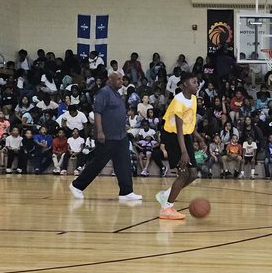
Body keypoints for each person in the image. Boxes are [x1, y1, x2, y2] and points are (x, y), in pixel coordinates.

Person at [69, 70, 141, 202]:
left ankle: (126, 192)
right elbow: (97, 113)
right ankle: (76, 185)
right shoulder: (104, 92)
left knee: (124, 163)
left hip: (120, 135)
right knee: (98, 162)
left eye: (122, 79)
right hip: (107, 136)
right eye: (118, 79)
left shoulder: (117, 94)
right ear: (111, 80)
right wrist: (100, 131)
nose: (121, 81)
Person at [155, 72, 200, 219]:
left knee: (193, 174)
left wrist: (199, 138)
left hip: (185, 136)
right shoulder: (178, 101)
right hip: (173, 137)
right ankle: (166, 209)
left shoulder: (193, 99)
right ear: (185, 84)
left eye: (197, 82)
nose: (197, 85)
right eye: (194, 82)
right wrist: (183, 152)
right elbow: (179, 129)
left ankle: (166, 195)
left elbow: (190, 122)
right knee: (184, 173)